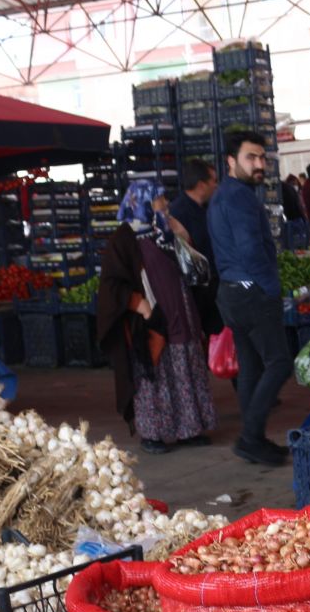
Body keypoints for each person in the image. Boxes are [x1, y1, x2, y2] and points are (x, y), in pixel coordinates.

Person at [97, 179, 217, 454]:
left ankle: (188, 430)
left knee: (185, 373)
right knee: (157, 379)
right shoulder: (124, 239)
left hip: (181, 316)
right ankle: (153, 434)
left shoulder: (163, 231)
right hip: (153, 323)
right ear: (142, 203)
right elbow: (111, 285)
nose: (165, 203)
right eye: (159, 199)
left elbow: (192, 265)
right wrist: (141, 306)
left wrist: (180, 233)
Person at [211, 131, 292, 466]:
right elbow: (251, 250)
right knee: (280, 363)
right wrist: (270, 288)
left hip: (232, 292)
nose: (259, 164)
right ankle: (250, 438)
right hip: (250, 292)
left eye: (262, 157)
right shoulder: (240, 198)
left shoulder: (223, 194)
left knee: (251, 366)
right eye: (251, 157)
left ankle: (253, 439)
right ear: (231, 161)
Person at [168, 158, 223, 336]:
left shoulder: (206, 208)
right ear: (201, 185)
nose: (216, 185)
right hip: (196, 292)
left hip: (212, 286)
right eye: (213, 181)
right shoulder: (178, 213)